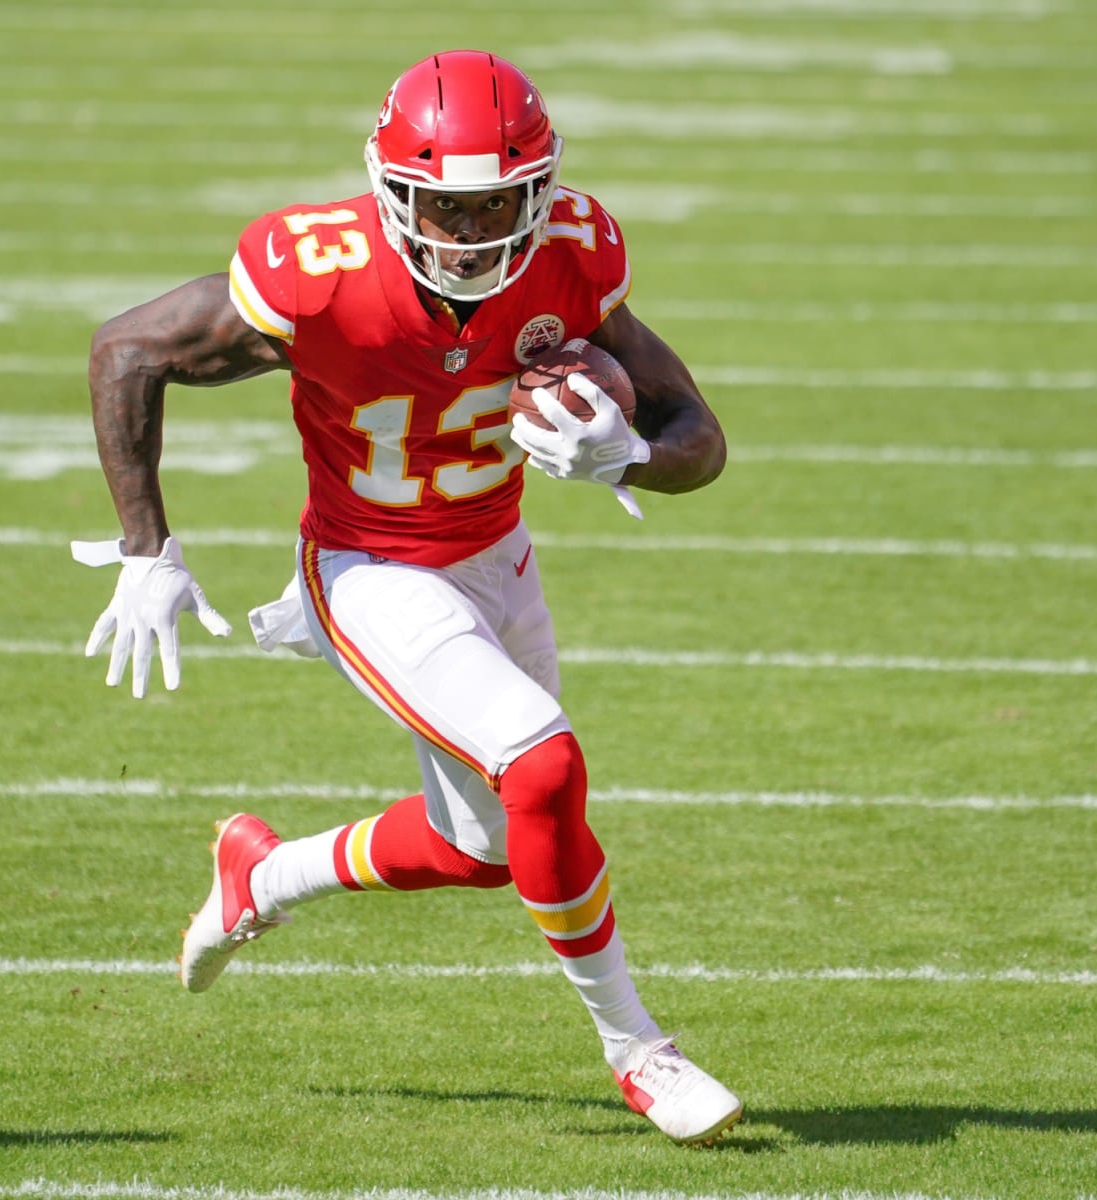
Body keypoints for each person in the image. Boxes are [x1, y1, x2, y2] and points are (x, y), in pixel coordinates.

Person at [75, 49, 739, 1146]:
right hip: (370, 567)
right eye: (447, 208)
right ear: (391, 191)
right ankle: (640, 1051)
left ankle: (264, 873)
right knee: (545, 762)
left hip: (495, 556)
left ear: (541, 191)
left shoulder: (571, 254)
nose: (475, 233)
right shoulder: (319, 271)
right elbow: (126, 349)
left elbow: (699, 440)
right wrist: (147, 546)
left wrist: (624, 457)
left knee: (488, 847)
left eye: (497, 205)